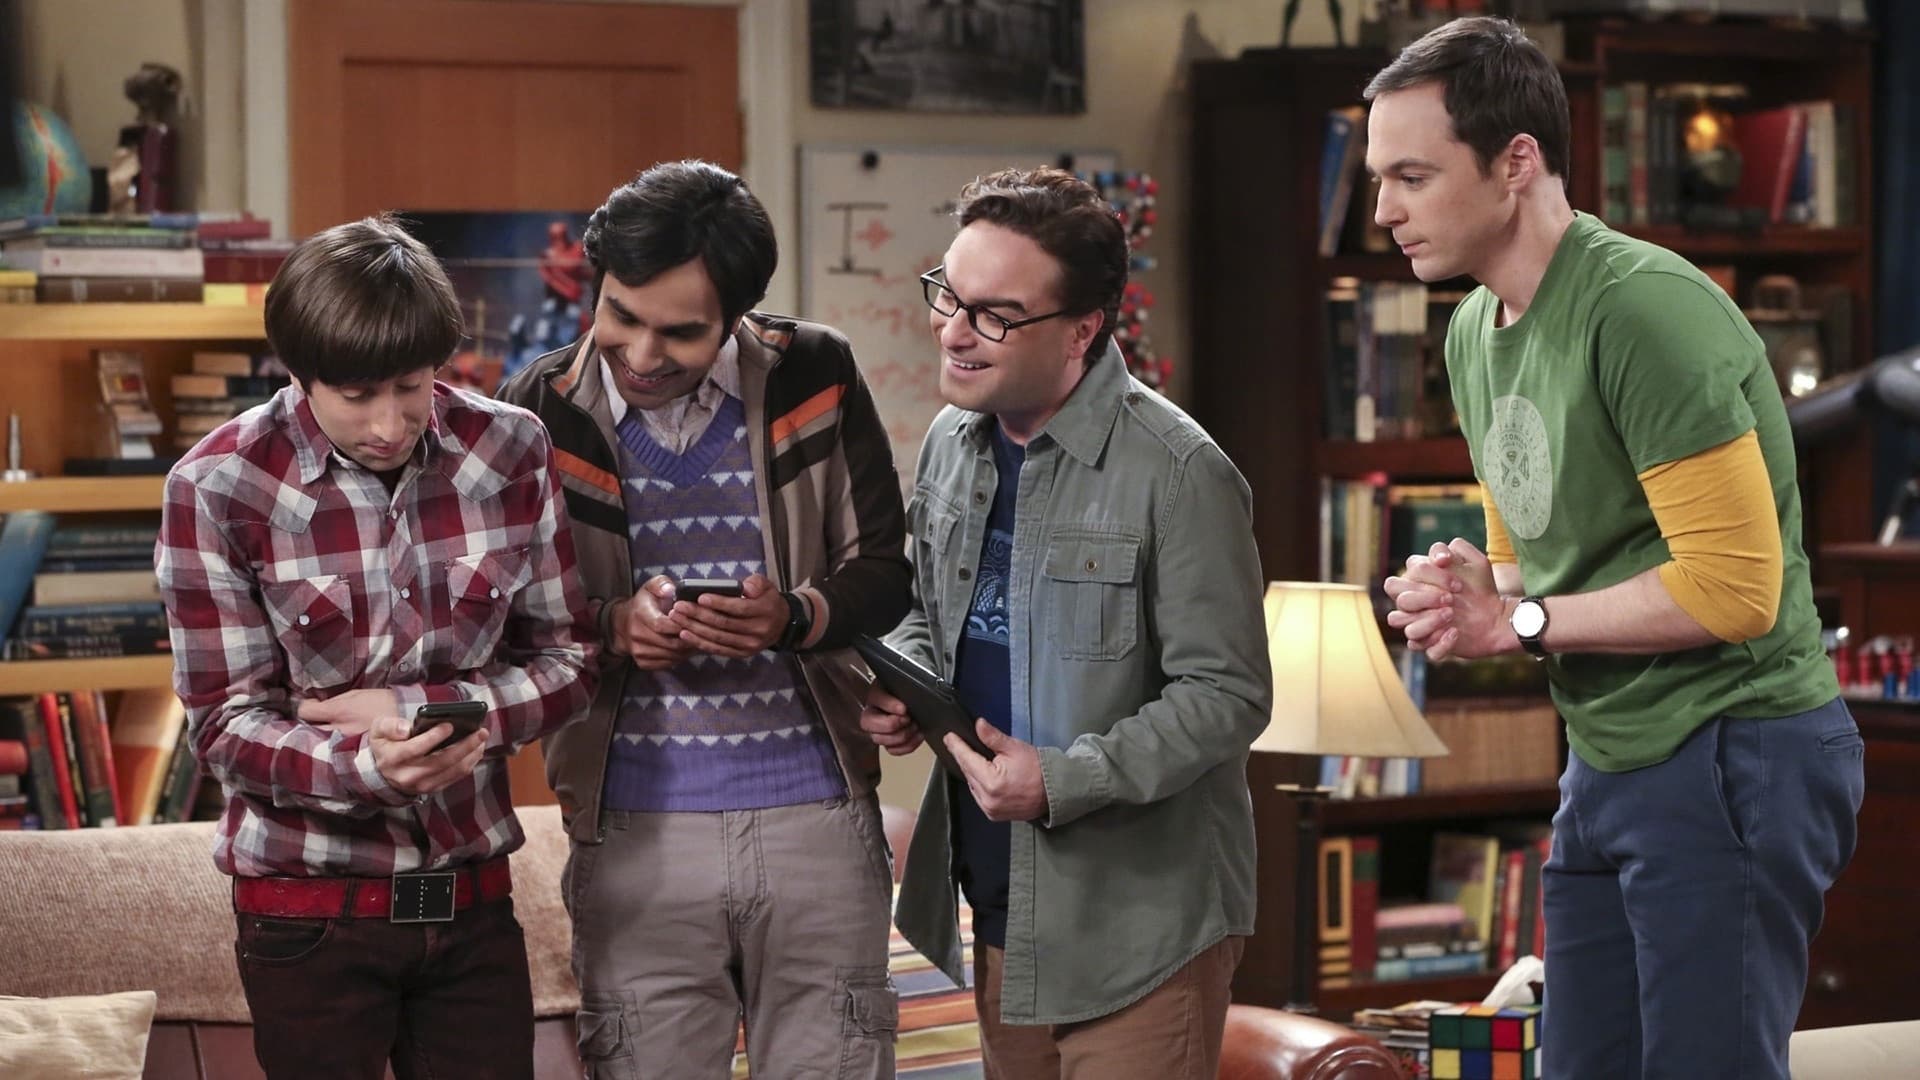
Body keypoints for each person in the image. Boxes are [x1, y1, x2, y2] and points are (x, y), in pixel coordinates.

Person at [1368, 18, 1865, 1080]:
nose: (1384, 211)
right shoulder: (1473, 330)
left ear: (1516, 163)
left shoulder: (1641, 310)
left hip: (1735, 744)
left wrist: (1518, 621)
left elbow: (1733, 590)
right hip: (1606, 755)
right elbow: (1524, 555)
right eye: (1379, 180)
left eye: (1412, 176)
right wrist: (1470, 593)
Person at [155, 215, 598, 1079]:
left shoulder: (511, 449)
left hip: (471, 901)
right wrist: (366, 768)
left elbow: (571, 662)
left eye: (411, 386)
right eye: (356, 395)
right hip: (306, 913)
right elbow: (222, 725)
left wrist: (417, 710)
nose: (390, 424)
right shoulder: (216, 487)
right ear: (297, 373)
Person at [496, 159, 912, 1078]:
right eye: (621, 315)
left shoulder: (815, 371)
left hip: (817, 821)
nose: (643, 355)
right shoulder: (534, 413)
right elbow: (507, 623)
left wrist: (792, 616)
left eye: (680, 332)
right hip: (632, 830)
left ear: (736, 317)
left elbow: (886, 572)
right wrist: (614, 628)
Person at [858, 166, 1271, 1079]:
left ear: (1083, 328)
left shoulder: (1180, 471)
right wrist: (905, 687)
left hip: (1138, 932)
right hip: (997, 908)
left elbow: (1228, 695)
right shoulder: (952, 439)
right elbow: (927, 612)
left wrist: (1062, 779)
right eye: (948, 296)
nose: (954, 332)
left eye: (996, 315)